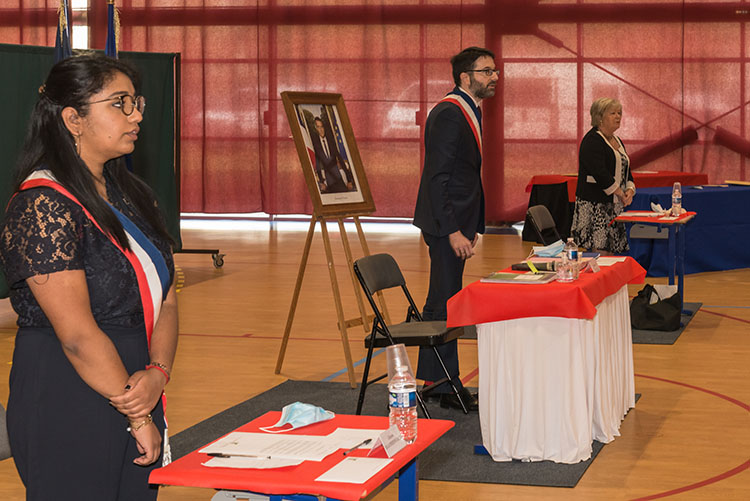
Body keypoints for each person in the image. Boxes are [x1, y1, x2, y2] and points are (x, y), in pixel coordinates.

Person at [0, 54, 178, 500]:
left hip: (138, 383)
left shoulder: (135, 196)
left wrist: (158, 373)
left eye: (136, 102)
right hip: (67, 392)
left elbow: (167, 299)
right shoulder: (43, 205)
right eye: (120, 103)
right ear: (73, 119)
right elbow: (78, 336)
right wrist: (137, 414)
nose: (136, 115)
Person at [412, 46, 498, 411]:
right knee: (445, 303)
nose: (494, 77)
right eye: (486, 71)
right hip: (445, 225)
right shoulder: (449, 113)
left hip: (457, 221)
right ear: (465, 77)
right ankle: (445, 384)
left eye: (494, 71)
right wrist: (453, 230)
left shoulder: (469, 109)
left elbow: (467, 174)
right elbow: (438, 178)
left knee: (443, 300)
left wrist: (471, 223)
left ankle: (437, 380)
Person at [571, 98, 636, 254]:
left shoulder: (617, 140)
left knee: (612, 250)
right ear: (599, 117)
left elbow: (626, 169)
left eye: (619, 113)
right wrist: (620, 193)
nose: (618, 116)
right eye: (612, 113)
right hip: (595, 205)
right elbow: (600, 173)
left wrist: (629, 190)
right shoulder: (592, 140)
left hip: (613, 205)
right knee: (600, 252)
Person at [312, 117, 354, 193]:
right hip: (328, 181)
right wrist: (321, 182)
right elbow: (318, 164)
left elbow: (340, 159)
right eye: (318, 127)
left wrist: (349, 180)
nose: (321, 130)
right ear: (316, 129)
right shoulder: (315, 144)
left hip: (338, 177)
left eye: (322, 127)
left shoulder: (331, 141)